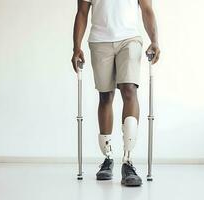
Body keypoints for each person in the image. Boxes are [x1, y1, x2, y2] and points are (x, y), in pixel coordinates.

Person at [71, 0, 160, 187]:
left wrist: (154, 40)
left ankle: (128, 160)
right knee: (106, 96)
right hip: (99, 40)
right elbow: (82, 12)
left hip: (130, 38)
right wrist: (76, 47)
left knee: (129, 89)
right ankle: (108, 157)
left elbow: (146, 9)